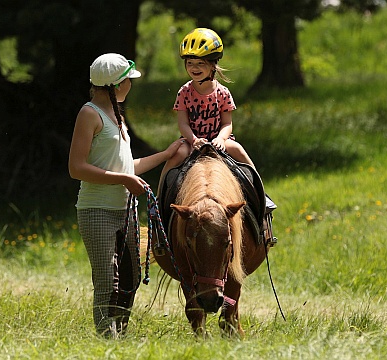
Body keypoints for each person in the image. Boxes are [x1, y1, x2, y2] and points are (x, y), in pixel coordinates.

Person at [68, 53, 184, 338]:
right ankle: (107, 339)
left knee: (130, 275)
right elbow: (76, 167)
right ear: (115, 85)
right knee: (108, 278)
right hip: (96, 210)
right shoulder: (89, 114)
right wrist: (124, 180)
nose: (130, 86)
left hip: (125, 209)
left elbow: (125, 166)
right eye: (128, 81)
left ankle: (119, 333)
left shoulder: (116, 116)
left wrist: (166, 155)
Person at [160, 28, 255, 182]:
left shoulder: (223, 93)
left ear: (212, 65)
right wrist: (194, 140)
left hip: (219, 139)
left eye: (200, 63)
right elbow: (183, 124)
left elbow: (227, 123)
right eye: (190, 63)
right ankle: (160, 195)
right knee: (177, 155)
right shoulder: (184, 92)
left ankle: (259, 191)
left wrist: (221, 139)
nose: (194, 68)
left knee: (238, 149)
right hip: (193, 141)